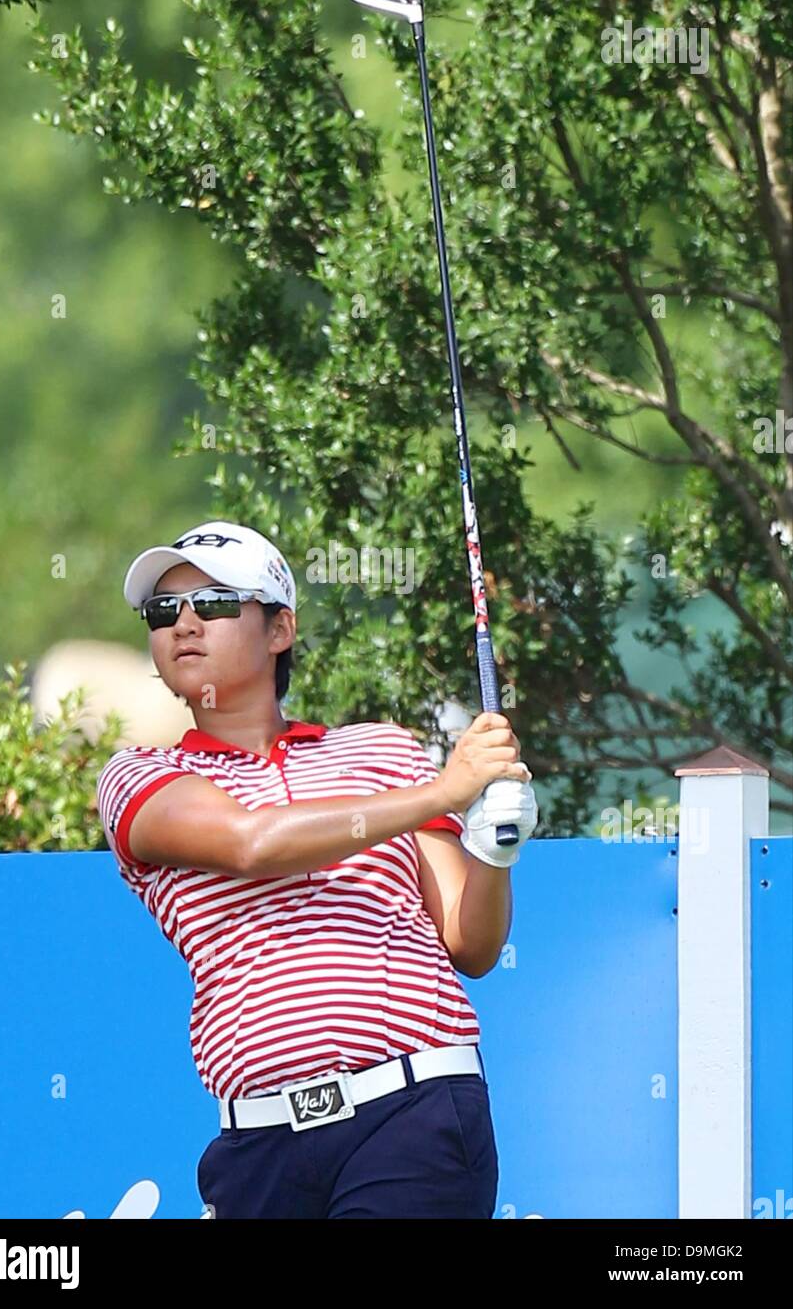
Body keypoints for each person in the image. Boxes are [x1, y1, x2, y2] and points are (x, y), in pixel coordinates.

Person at [96, 520, 538, 1219]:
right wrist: (444, 792)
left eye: (212, 604)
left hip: (411, 1112)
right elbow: (251, 844)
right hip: (259, 1143)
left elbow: (469, 944)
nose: (182, 624)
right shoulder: (139, 775)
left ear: (279, 630)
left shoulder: (383, 753)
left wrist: (493, 847)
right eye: (162, 611)